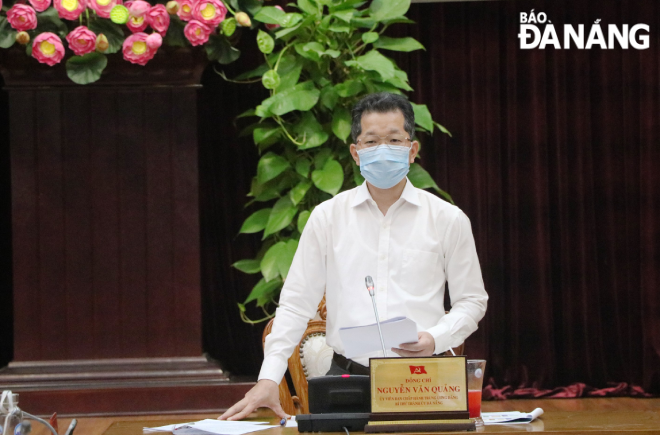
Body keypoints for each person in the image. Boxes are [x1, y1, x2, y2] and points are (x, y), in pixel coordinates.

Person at [219, 92, 488, 421]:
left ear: (412, 150)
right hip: (346, 379)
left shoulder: (448, 219)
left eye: (394, 139)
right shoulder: (327, 217)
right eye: (371, 141)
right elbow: (296, 303)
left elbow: (472, 301)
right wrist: (268, 378)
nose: (383, 149)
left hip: (424, 380)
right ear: (356, 153)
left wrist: (436, 338)